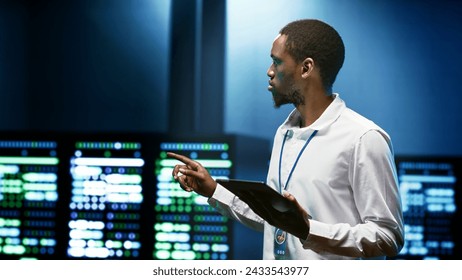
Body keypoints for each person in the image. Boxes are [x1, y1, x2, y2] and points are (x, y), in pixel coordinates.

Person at [168, 19, 404, 260]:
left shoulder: (363, 138)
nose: (270, 71)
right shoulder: (285, 132)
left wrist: (309, 230)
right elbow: (276, 220)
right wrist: (214, 190)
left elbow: (388, 236)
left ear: (306, 68)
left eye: (277, 61)